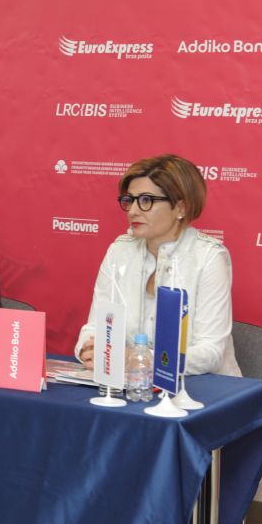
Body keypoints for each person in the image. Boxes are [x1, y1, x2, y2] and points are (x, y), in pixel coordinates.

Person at [75, 154, 240, 376]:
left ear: (181, 208)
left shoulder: (208, 257)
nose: (133, 211)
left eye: (146, 200)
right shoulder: (119, 251)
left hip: (202, 387)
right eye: (130, 200)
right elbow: (96, 326)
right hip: (130, 382)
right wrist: (89, 349)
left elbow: (210, 353)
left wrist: (138, 359)